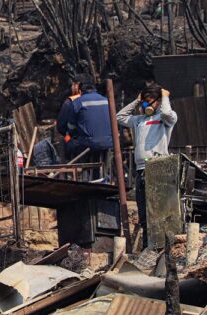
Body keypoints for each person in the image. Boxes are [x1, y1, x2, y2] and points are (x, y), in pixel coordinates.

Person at [116, 83, 177, 250]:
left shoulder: (165, 119)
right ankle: (147, 248)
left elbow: (167, 112)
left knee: (158, 212)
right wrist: (137, 101)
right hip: (141, 170)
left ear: (158, 101)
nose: (146, 106)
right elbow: (119, 117)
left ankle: (162, 248)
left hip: (157, 168)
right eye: (144, 102)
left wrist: (165, 96)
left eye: (149, 102)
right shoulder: (139, 120)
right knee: (143, 213)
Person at [56, 73, 113, 165]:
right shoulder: (106, 100)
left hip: (86, 144)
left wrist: (69, 137)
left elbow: (66, 127)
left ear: (78, 85)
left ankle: (71, 169)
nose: (71, 87)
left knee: (66, 141)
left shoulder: (75, 102)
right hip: (109, 142)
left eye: (73, 84)